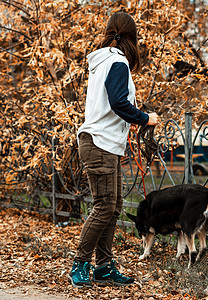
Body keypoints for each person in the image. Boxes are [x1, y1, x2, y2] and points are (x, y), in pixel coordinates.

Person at [69, 11, 159, 288]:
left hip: (102, 143)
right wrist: (145, 118)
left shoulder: (102, 61)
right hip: (100, 144)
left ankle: (105, 267)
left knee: (113, 206)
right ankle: (80, 264)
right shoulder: (117, 62)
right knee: (105, 206)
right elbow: (119, 102)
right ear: (132, 38)